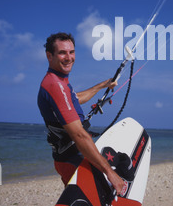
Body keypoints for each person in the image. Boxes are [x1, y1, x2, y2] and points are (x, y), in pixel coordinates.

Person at [37, 32, 125, 194]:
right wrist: (109, 173)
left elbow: (74, 99)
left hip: (69, 156)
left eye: (72, 52)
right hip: (72, 158)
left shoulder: (59, 81)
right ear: (49, 56)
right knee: (93, 202)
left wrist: (101, 86)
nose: (69, 57)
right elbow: (79, 135)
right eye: (62, 52)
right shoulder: (55, 85)